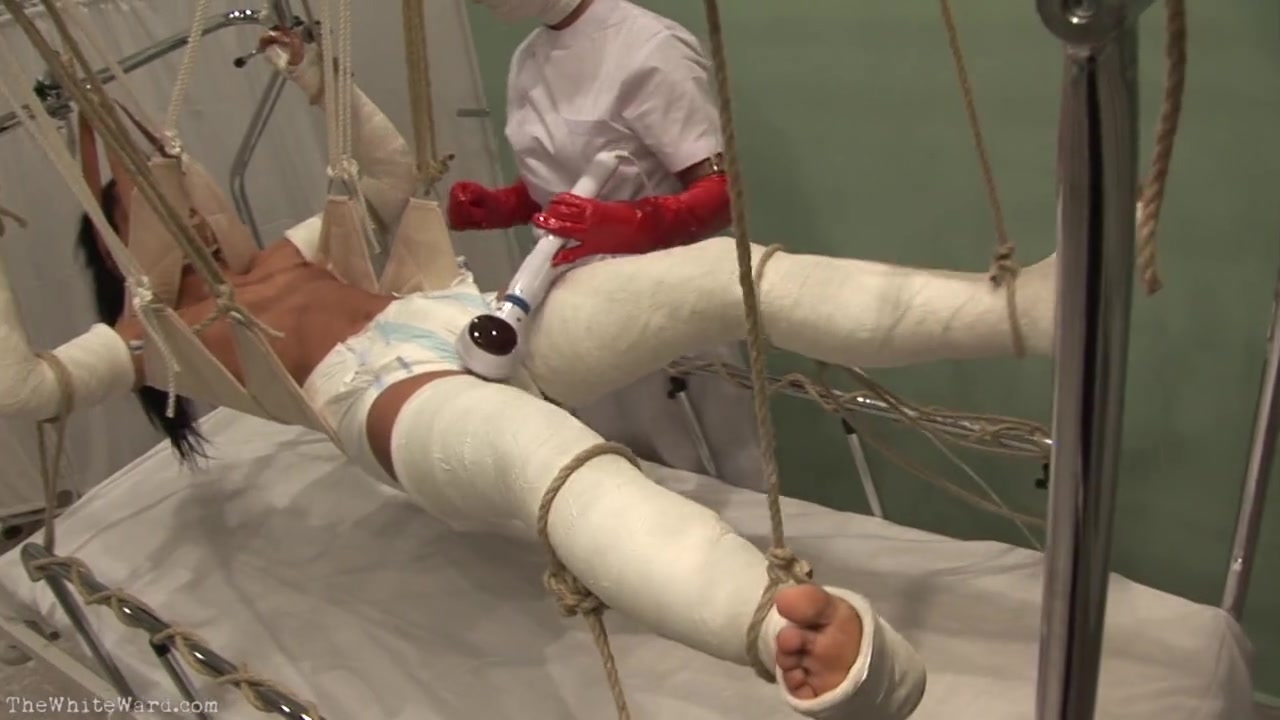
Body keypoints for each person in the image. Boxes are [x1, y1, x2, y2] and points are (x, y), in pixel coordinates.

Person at [1, 30, 1059, 720]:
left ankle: (1020, 312)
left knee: (714, 277)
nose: (183, 202)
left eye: (180, 180)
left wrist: (318, 74)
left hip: (469, 320)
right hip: (388, 401)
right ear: (121, 247)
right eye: (142, 201)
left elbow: (385, 173)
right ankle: (798, 643)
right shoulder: (156, 335)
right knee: (547, 458)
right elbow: (25, 389)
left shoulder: (295, 245)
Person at [448, 0, 764, 489]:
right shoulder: (529, 57)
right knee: (615, 472)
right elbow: (558, 182)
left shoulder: (649, 47)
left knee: (706, 477)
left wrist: (634, 224)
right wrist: (503, 204)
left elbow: (721, 191)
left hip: (661, 301)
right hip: (570, 301)